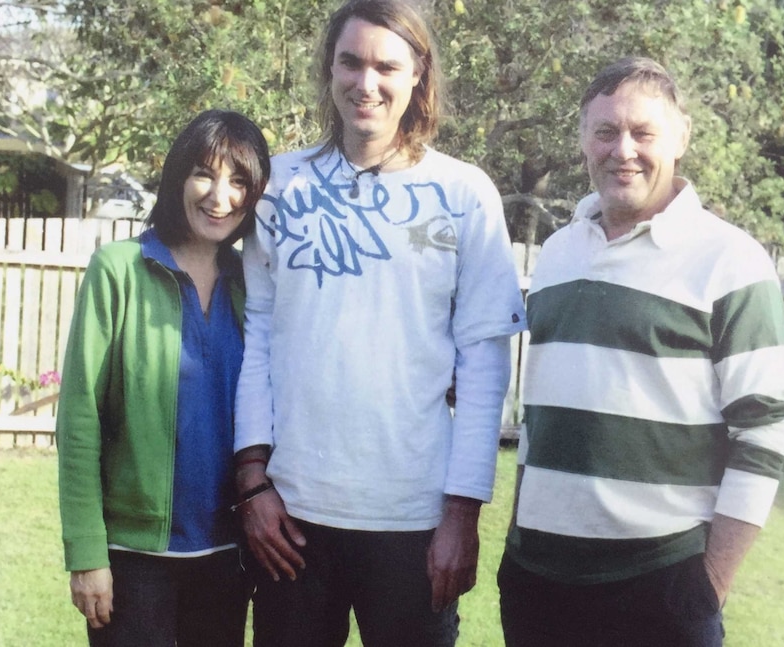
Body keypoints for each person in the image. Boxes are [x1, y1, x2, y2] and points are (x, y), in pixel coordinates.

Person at [232, 1, 526, 645]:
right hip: (293, 519)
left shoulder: (465, 192)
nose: (366, 83)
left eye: (386, 66)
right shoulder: (277, 184)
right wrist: (252, 484)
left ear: (418, 74)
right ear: (329, 69)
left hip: (414, 522)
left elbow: (483, 365)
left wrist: (461, 515)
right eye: (351, 62)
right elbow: (258, 333)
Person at [497, 57, 784, 646]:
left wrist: (710, 583)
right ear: (583, 138)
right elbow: (547, 422)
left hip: (658, 586)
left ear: (680, 137)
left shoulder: (729, 260)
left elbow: (764, 432)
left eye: (644, 133)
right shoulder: (558, 254)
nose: (622, 150)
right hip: (537, 582)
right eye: (605, 131)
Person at [56, 109, 270, 647]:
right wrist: (86, 553)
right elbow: (80, 418)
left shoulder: (255, 283)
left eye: (239, 179)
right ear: (178, 175)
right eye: (205, 173)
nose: (220, 196)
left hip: (228, 555)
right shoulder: (118, 270)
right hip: (133, 559)